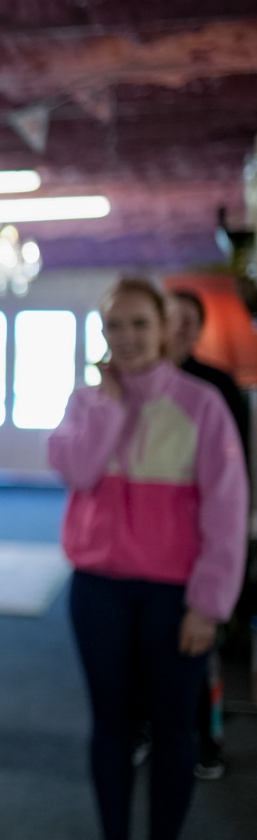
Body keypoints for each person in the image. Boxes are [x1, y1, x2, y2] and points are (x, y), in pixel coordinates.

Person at [50, 278, 245, 840]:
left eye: (138, 325)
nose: (126, 338)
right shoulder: (86, 400)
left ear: (164, 330)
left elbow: (227, 511)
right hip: (99, 588)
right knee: (109, 726)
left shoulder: (202, 404)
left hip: (175, 596)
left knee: (173, 731)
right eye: (114, 327)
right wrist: (106, 409)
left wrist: (209, 604)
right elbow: (75, 470)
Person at [167, 288, 249, 781]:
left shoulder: (217, 385)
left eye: (185, 323)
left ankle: (208, 737)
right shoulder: (136, 385)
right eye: (169, 321)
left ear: (197, 331)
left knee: (199, 652)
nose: (176, 332)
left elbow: (234, 473)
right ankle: (146, 730)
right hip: (147, 547)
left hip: (201, 541)